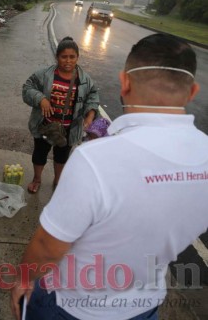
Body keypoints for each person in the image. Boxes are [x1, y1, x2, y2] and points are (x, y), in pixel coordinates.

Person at [11, 33, 207, 320]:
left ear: (125, 83)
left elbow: (46, 246)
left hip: (71, 306)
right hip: (145, 308)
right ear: (192, 92)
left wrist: (24, 279)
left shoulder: (94, 159)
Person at [22, 36, 99, 194]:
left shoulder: (84, 80)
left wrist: (90, 114)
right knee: (39, 154)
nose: (68, 61)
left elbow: (93, 96)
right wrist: (41, 99)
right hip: (45, 126)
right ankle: (37, 179)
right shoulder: (44, 75)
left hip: (69, 129)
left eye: (72, 57)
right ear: (57, 57)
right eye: (64, 56)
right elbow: (27, 87)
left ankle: (58, 181)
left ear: (77, 57)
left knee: (61, 157)